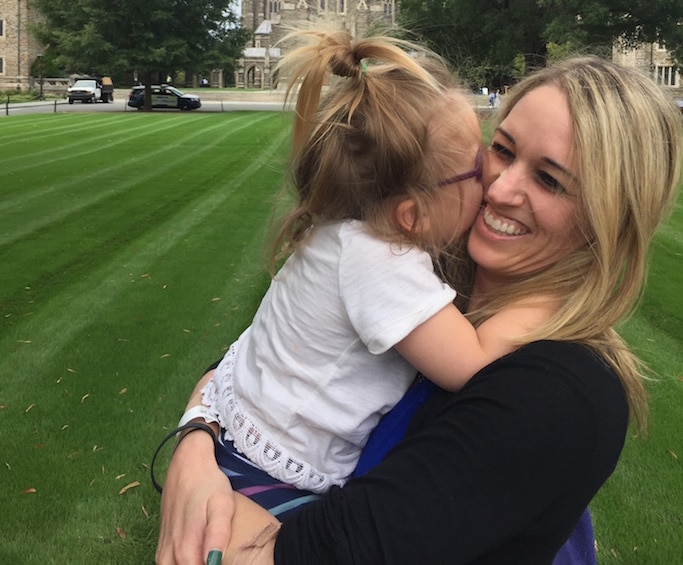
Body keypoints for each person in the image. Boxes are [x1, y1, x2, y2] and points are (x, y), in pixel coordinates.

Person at [156, 55, 683, 564]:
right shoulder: (415, 275)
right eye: (499, 150)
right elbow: (252, 355)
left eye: (550, 180)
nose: (499, 188)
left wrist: (209, 484)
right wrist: (196, 446)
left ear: (609, 219)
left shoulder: (560, 393)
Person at [197, 29, 549, 507]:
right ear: (413, 215)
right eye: (476, 165)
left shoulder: (348, 228)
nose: (491, 179)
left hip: (243, 421)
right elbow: (472, 363)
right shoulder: (381, 263)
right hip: (273, 466)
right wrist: (554, 296)